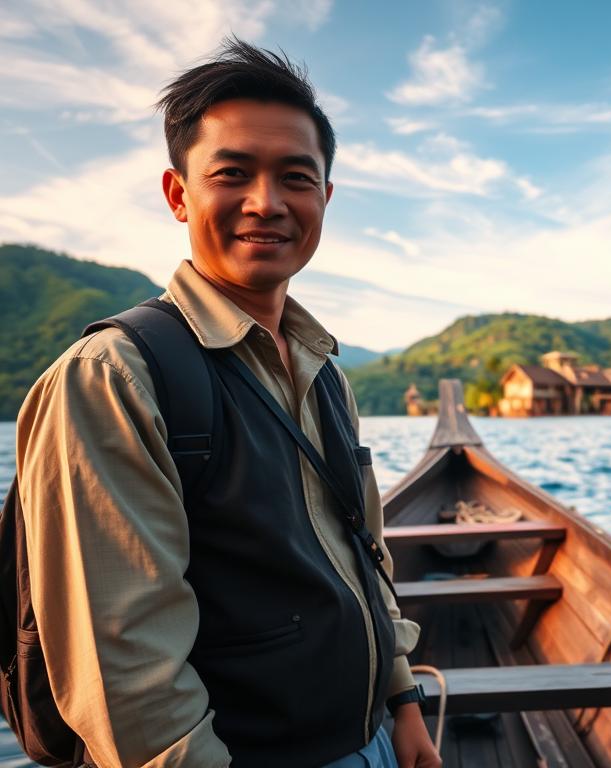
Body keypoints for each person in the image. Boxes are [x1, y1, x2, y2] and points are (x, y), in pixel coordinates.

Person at [16, 39, 441, 768]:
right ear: (179, 194)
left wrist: (403, 708)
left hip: (369, 741)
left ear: (326, 200)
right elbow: (127, 677)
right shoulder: (116, 376)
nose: (267, 203)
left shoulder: (324, 370)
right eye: (233, 174)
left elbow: (364, 557)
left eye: (296, 178)